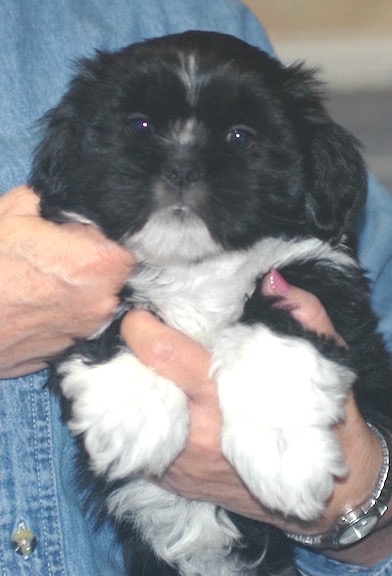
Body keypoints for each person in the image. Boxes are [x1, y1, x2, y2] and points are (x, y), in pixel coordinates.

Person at [1, 1, 392, 575]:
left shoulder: (189, 8)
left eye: (238, 136)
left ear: (308, 165)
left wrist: (366, 505)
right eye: (139, 129)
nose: (182, 164)